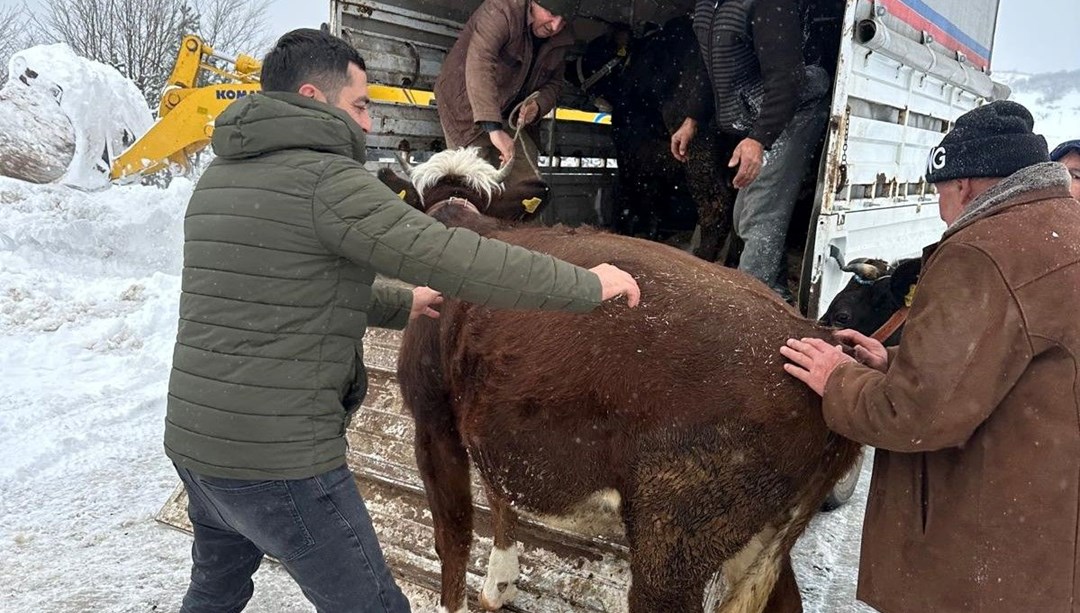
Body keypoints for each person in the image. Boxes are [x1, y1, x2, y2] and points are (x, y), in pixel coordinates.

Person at [164, 28, 640, 613]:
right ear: (314, 97)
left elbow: (276, 291)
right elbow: (463, 259)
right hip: (280, 465)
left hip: (196, 451)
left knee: (216, 591)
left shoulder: (219, 180)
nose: (367, 124)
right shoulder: (327, 182)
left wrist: (399, 304)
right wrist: (587, 283)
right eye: (361, 106)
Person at [780, 100, 1080, 612]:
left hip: (983, 552)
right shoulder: (1061, 227)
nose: (939, 204)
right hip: (1045, 523)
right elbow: (1006, 365)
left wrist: (839, 379)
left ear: (961, 184)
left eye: (938, 189)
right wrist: (894, 363)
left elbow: (915, 415)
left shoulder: (982, 252)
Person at [670, 0, 831, 301]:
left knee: (759, 214)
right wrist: (691, 119)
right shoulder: (707, 7)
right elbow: (710, 69)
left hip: (796, 108)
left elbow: (787, 77)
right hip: (761, 110)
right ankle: (777, 293)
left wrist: (759, 139)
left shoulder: (768, 5)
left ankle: (748, 310)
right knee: (742, 213)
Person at [434, 0, 581, 220]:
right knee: (473, 183)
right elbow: (480, 62)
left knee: (528, 187)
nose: (555, 25)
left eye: (564, 20)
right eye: (551, 13)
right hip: (466, 107)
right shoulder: (500, 10)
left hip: (510, 118)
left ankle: (520, 242)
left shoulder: (562, 36)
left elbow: (555, 84)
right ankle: (475, 241)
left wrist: (537, 106)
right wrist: (493, 129)